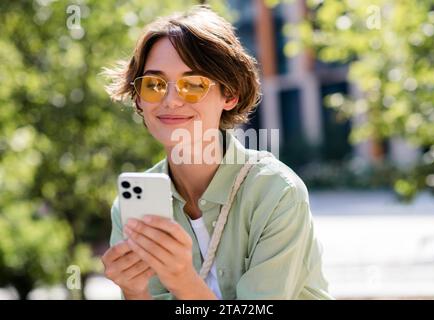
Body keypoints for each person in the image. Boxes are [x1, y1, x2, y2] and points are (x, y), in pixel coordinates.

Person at [101, 5, 332, 300]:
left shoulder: (276, 193)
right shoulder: (130, 206)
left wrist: (181, 279)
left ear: (230, 94)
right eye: (154, 84)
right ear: (139, 98)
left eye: (194, 84)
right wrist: (133, 292)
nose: (170, 100)